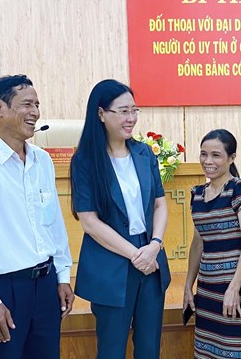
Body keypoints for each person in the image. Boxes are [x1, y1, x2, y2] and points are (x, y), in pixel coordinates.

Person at [0, 75, 74, 359]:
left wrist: (62, 276)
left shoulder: (42, 161)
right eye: (27, 104)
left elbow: (53, 224)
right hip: (3, 290)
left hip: (46, 286)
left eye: (37, 105)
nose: (35, 112)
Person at [70, 79, 171, 359]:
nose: (131, 118)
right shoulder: (85, 161)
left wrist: (155, 245)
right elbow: (89, 222)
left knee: (149, 348)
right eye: (123, 111)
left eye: (134, 110)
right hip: (112, 264)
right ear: (101, 114)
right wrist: (137, 255)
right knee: (111, 350)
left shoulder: (144, 153)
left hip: (150, 259)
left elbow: (160, 205)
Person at [183, 129, 241, 359]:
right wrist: (188, 285)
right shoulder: (197, 194)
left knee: (239, 350)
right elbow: (198, 243)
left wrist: (234, 288)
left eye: (216, 155)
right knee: (207, 352)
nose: (208, 161)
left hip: (237, 287)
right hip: (208, 289)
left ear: (231, 157)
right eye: (203, 154)